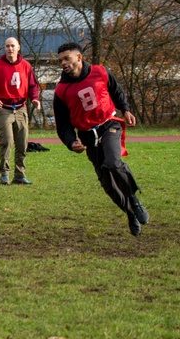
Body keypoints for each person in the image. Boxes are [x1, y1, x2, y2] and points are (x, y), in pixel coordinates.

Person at [54, 43, 148, 236]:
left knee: (113, 163)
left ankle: (134, 199)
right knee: (108, 184)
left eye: (67, 59)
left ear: (79, 58)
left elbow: (116, 90)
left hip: (109, 125)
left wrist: (126, 109)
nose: (63, 63)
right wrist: (71, 142)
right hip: (88, 136)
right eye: (60, 60)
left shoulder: (101, 72)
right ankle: (129, 213)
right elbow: (63, 124)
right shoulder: (61, 90)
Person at [0, 37, 41, 185]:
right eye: (7, 46)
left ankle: (20, 175)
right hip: (3, 109)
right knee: (7, 141)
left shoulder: (26, 66)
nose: (10, 49)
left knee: (22, 142)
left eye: (13, 46)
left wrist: (34, 98)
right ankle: (4, 174)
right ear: (4, 48)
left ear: (18, 47)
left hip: (21, 108)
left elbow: (33, 85)